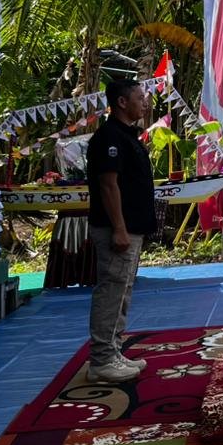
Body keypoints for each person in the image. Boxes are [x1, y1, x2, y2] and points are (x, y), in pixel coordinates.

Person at [85, 79, 155, 384]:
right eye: (140, 98)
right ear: (122, 102)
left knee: (122, 292)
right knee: (112, 291)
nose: (145, 103)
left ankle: (113, 351)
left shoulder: (127, 135)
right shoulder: (109, 137)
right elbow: (108, 185)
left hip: (132, 227)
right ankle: (101, 360)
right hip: (117, 228)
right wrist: (119, 228)